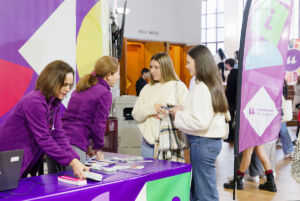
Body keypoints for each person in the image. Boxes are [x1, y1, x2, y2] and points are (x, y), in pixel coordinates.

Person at [0, 60, 88, 179]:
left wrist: (75, 159)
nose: (67, 89)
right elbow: (44, 139)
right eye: (64, 84)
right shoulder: (34, 102)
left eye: (69, 85)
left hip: (19, 159)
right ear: (51, 81)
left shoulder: (54, 103)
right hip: (8, 156)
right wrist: (71, 161)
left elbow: (59, 135)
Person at [170, 45, 229, 201]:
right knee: (201, 190)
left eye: (189, 62)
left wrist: (178, 115)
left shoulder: (202, 87)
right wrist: (181, 110)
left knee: (205, 194)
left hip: (203, 142)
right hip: (206, 143)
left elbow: (200, 122)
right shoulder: (208, 83)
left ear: (199, 62)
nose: (186, 66)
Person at [61, 56, 120, 164]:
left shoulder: (83, 86)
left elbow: (78, 118)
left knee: (55, 181)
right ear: (109, 75)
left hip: (58, 141)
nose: (119, 77)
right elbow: (99, 125)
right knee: (79, 180)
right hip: (74, 146)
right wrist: (98, 148)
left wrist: (87, 145)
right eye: (117, 74)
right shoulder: (105, 93)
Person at [132, 52, 189, 159]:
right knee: (149, 175)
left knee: (169, 176)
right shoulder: (146, 89)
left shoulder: (178, 87)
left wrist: (172, 112)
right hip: (148, 144)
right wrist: (152, 108)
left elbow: (187, 113)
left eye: (156, 67)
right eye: (151, 67)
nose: (152, 71)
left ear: (165, 67)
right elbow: (136, 114)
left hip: (170, 144)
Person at [224, 58, 238, 142]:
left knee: (230, 118)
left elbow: (229, 89)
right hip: (238, 100)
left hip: (231, 101)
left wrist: (226, 97)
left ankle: (231, 136)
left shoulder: (231, 74)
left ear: (228, 64)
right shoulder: (239, 72)